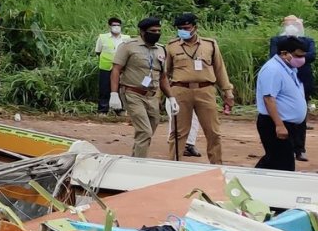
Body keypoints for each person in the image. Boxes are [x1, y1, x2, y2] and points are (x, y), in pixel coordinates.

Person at [163, 11, 233, 164]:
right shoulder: (171, 46)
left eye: (187, 27)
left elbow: (220, 69)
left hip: (205, 90)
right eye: (180, 28)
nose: (184, 31)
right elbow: (164, 73)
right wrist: (161, 95)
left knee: (213, 132)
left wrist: (228, 91)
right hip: (180, 90)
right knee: (178, 132)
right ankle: (173, 164)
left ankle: (217, 165)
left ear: (195, 27)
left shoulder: (210, 45)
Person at [109, 16, 170, 158]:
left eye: (158, 30)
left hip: (152, 95)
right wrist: (114, 94)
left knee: (151, 127)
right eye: (152, 30)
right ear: (142, 31)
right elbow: (116, 70)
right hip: (132, 93)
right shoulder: (128, 46)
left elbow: (163, 76)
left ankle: (135, 157)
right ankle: (139, 163)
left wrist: (171, 97)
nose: (156, 33)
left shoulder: (161, 49)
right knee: (145, 131)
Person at [253, 37, 310, 173]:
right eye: (297, 55)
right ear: (284, 53)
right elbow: (268, 99)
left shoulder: (289, 68)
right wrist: (279, 125)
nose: (301, 59)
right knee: (282, 163)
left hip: (288, 124)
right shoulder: (273, 70)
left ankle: (251, 181)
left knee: (276, 160)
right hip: (275, 123)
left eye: (303, 56)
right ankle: (251, 182)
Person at [269, 16, 316, 161]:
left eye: (295, 23)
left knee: (300, 115)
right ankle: (284, 146)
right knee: (282, 114)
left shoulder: (307, 40)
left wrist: (292, 55)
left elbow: (312, 55)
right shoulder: (276, 40)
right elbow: (273, 55)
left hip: (302, 80)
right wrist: (299, 55)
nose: (292, 25)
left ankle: (300, 149)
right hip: (283, 82)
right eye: (288, 23)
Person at [90, 17, 124, 113]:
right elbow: (98, 51)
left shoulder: (126, 38)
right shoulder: (102, 37)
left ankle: (119, 110)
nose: (116, 27)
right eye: (114, 25)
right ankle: (103, 110)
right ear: (109, 26)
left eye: (118, 25)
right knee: (104, 89)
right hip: (106, 67)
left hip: (121, 68)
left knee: (120, 89)